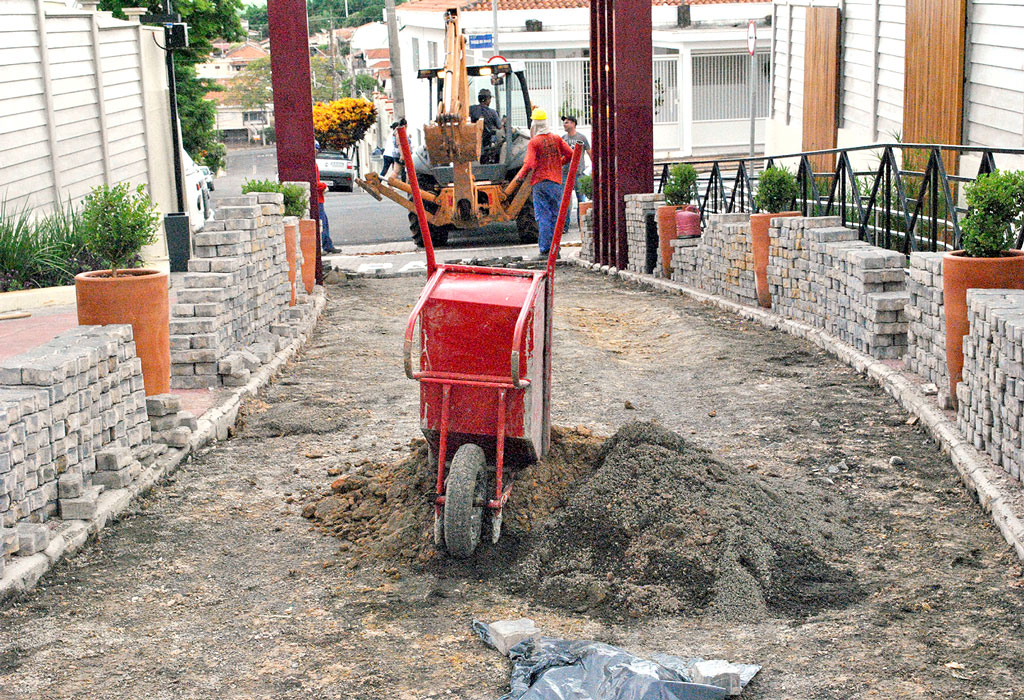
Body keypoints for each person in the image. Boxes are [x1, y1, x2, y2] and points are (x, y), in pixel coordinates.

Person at [510, 107, 574, 258]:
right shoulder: (556, 138)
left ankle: (545, 250)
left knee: (543, 216)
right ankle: (555, 250)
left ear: (534, 124)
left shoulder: (534, 142)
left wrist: (518, 178)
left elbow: (529, 163)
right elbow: (571, 154)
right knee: (555, 216)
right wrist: (559, 163)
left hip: (540, 183)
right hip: (556, 183)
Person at [561, 115, 592, 228]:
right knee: (565, 200)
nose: (564, 124)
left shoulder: (582, 138)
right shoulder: (563, 138)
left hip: (579, 173)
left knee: (581, 200)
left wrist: (594, 168)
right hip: (565, 173)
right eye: (564, 122)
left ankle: (582, 225)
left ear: (573, 124)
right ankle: (564, 226)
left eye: (567, 122)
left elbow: (589, 152)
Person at [314, 140, 337, 254]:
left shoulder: (312, 163)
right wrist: (324, 186)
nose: (317, 152)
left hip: (318, 198)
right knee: (323, 223)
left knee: (324, 222)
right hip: (318, 199)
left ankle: (327, 245)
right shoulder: (312, 164)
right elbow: (314, 182)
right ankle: (325, 246)